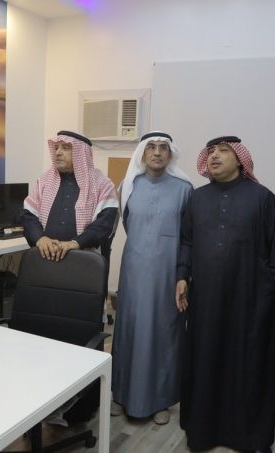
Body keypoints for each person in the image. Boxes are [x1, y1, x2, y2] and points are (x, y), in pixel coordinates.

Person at [176, 136, 275, 452]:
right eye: (210, 151)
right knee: (205, 359)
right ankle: (203, 432)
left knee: (247, 365)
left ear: (240, 159)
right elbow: (187, 241)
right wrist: (182, 276)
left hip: (249, 302)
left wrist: (266, 295)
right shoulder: (197, 199)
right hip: (206, 300)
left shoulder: (263, 198)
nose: (214, 155)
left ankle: (249, 437)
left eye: (223, 151)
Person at [111, 131, 193, 425]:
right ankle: (121, 394)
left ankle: (161, 399)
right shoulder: (128, 186)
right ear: (142, 154)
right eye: (151, 147)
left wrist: (183, 274)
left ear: (170, 154)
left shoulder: (185, 189)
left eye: (163, 148)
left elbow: (188, 237)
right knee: (129, 329)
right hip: (134, 272)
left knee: (164, 333)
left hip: (167, 274)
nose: (157, 152)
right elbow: (128, 224)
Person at [21, 130, 118, 260]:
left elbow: (104, 223)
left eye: (65, 148)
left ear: (81, 154)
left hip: (84, 261)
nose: (58, 152)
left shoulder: (102, 184)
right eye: (56, 147)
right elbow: (28, 216)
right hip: (45, 259)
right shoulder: (43, 181)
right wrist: (40, 239)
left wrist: (76, 243)